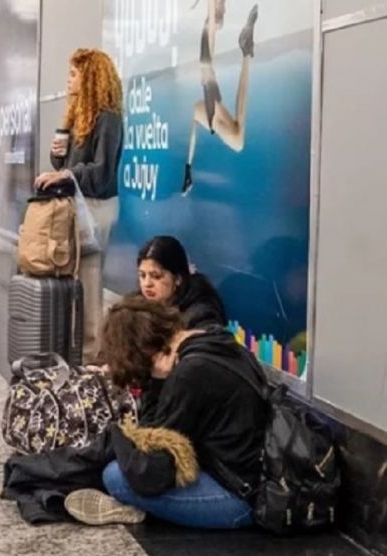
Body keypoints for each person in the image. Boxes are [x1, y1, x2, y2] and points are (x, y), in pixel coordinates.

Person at [63, 297, 268, 529]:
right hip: (252, 477)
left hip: (239, 500)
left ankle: (136, 509)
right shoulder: (214, 339)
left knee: (115, 476)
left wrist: (158, 384)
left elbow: (152, 454)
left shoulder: (189, 373)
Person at [35, 48, 124, 365]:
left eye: (74, 74)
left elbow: (102, 173)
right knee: (76, 282)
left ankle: (91, 355)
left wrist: (67, 174)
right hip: (79, 205)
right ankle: (78, 351)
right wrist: (59, 157)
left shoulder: (108, 119)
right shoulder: (78, 117)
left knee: (90, 281)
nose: (68, 80)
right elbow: (67, 165)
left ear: (90, 78)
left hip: (96, 208)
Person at [182, 2, 259, 195]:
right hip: (209, 100)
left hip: (208, 101)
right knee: (238, 140)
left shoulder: (207, 35)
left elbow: (192, 133)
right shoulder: (209, 30)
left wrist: (188, 168)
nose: (223, 12)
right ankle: (246, 49)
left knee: (238, 137)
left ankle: (246, 50)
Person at [136, 236, 226, 328]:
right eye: (142, 275)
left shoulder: (202, 314)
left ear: (178, 279)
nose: (147, 284)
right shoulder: (135, 308)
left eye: (156, 276)